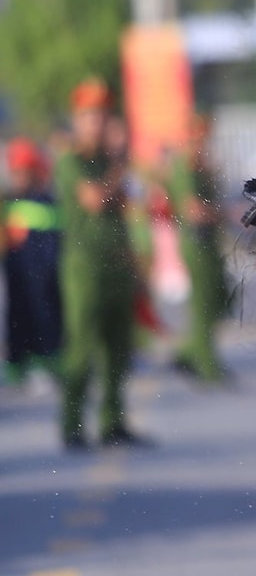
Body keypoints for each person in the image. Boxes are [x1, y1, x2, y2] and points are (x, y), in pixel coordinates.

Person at [54, 78, 149, 449]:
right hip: (84, 269)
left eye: (102, 115)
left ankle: (113, 422)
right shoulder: (71, 160)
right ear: (77, 120)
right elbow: (93, 199)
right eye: (89, 116)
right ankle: (72, 424)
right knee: (81, 348)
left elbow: (126, 211)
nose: (96, 123)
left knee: (117, 349)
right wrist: (119, 169)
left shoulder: (108, 162)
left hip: (116, 265)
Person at [167, 115, 232, 382]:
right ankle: (206, 365)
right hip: (196, 243)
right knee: (203, 306)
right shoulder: (185, 168)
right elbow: (194, 211)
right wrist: (225, 213)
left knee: (219, 299)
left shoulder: (201, 167)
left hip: (208, 243)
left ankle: (186, 354)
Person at [5, 138, 63, 387]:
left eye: (24, 172)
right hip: (16, 274)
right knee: (17, 319)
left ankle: (46, 362)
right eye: (16, 172)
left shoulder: (46, 201)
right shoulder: (8, 202)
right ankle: (17, 366)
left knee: (45, 317)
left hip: (43, 273)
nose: (20, 177)